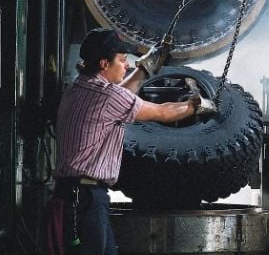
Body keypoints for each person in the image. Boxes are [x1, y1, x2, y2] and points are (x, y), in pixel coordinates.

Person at [44, 28, 214, 255]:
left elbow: (120, 97)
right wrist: (197, 105)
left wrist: (145, 69)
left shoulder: (79, 87)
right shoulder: (106, 96)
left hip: (73, 196)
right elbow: (163, 113)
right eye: (123, 61)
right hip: (86, 200)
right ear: (104, 64)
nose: (126, 66)